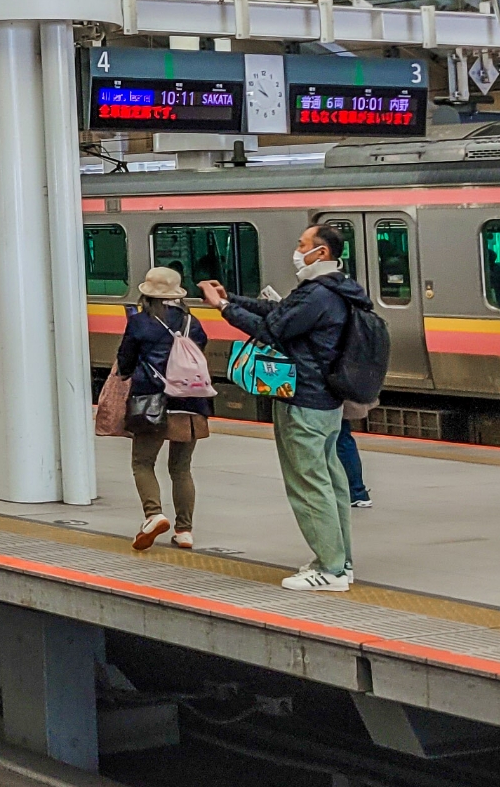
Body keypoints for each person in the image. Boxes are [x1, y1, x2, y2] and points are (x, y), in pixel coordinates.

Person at [203, 223, 365, 592]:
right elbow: (280, 313)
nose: (297, 250)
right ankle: (341, 562)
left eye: (302, 244)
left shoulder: (316, 294)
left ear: (321, 252)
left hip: (303, 400)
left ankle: (330, 570)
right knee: (331, 481)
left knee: (308, 485)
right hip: (327, 401)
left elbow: (272, 330)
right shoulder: (336, 287)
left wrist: (223, 308)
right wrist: (235, 299)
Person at [116, 267, 208, 551]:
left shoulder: (140, 322)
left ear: (147, 294)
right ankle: (185, 531)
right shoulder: (192, 322)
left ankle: (154, 514)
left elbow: (125, 361)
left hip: (151, 402)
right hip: (190, 402)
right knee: (181, 468)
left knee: (142, 462)